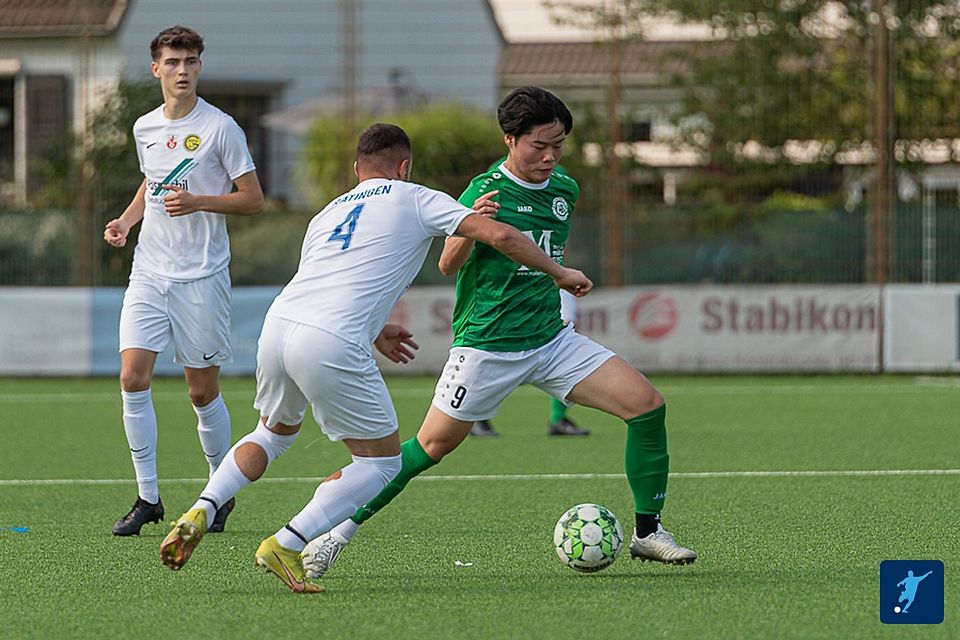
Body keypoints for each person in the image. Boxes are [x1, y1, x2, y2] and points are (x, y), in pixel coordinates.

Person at [158, 123, 592, 593]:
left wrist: (379, 329)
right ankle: (288, 541)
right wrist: (559, 272)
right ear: (404, 167)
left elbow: (329, 280)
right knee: (381, 465)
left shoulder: (327, 213)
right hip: (331, 339)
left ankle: (204, 505)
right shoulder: (415, 196)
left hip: (279, 327)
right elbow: (502, 237)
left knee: (271, 432)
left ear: (356, 170)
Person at [303, 86, 696, 579]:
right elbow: (448, 264)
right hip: (486, 345)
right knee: (428, 449)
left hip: (551, 340)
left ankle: (647, 532)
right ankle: (333, 534)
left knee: (647, 406)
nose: (550, 156)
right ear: (510, 140)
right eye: (539, 146)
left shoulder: (564, 190)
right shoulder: (482, 190)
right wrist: (482, 231)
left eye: (558, 145)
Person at [103, 25, 263, 536]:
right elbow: (153, 182)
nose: (182, 71)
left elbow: (253, 199)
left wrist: (199, 201)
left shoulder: (221, 128)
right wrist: (128, 222)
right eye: (172, 62)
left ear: (199, 67)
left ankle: (218, 493)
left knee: (200, 391)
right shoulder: (144, 127)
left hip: (202, 277)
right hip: (149, 270)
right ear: (156, 68)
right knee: (132, 377)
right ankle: (148, 497)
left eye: (191, 61)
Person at [470, 289, 590, 437]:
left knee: (568, 362)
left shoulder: (561, 283)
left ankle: (558, 419)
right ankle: (478, 418)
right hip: (514, 323)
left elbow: (567, 322)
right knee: (490, 367)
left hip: (547, 328)